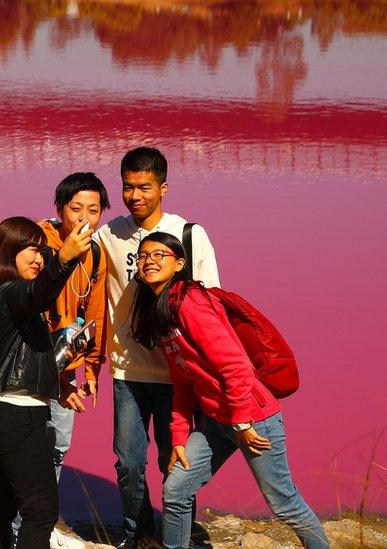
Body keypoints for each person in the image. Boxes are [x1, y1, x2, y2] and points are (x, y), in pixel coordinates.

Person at [130, 232, 330, 549]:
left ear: (179, 264)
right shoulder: (162, 311)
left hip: (254, 420)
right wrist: (179, 436)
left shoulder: (190, 302)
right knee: (176, 489)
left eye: (159, 255)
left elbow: (235, 366)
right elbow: (183, 381)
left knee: (284, 503)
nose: (150, 261)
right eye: (143, 256)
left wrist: (241, 423)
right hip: (215, 422)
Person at [94, 147, 219, 547]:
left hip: (177, 373)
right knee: (129, 463)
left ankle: (176, 532)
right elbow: (72, 249)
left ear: (163, 188)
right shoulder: (109, 233)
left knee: (176, 463)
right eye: (128, 187)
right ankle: (137, 531)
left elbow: (213, 305)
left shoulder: (189, 235)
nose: (135, 196)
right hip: (127, 370)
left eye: (144, 187)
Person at [0, 216, 94, 549]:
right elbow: (40, 295)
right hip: (18, 414)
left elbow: (20, 358)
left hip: (6, 412)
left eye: (43, 251)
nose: (39, 258)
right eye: (31, 249)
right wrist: (65, 259)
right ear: (8, 249)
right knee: (41, 510)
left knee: (1, 506)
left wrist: (62, 381)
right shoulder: (8, 293)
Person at [11, 173, 110, 549]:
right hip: (29, 367)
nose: (84, 217)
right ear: (59, 209)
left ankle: (37, 522)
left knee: (56, 447)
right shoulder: (37, 244)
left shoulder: (95, 252)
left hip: (65, 365)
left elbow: (95, 310)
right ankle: (21, 528)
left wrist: (93, 367)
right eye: (75, 208)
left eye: (93, 209)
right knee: (27, 446)